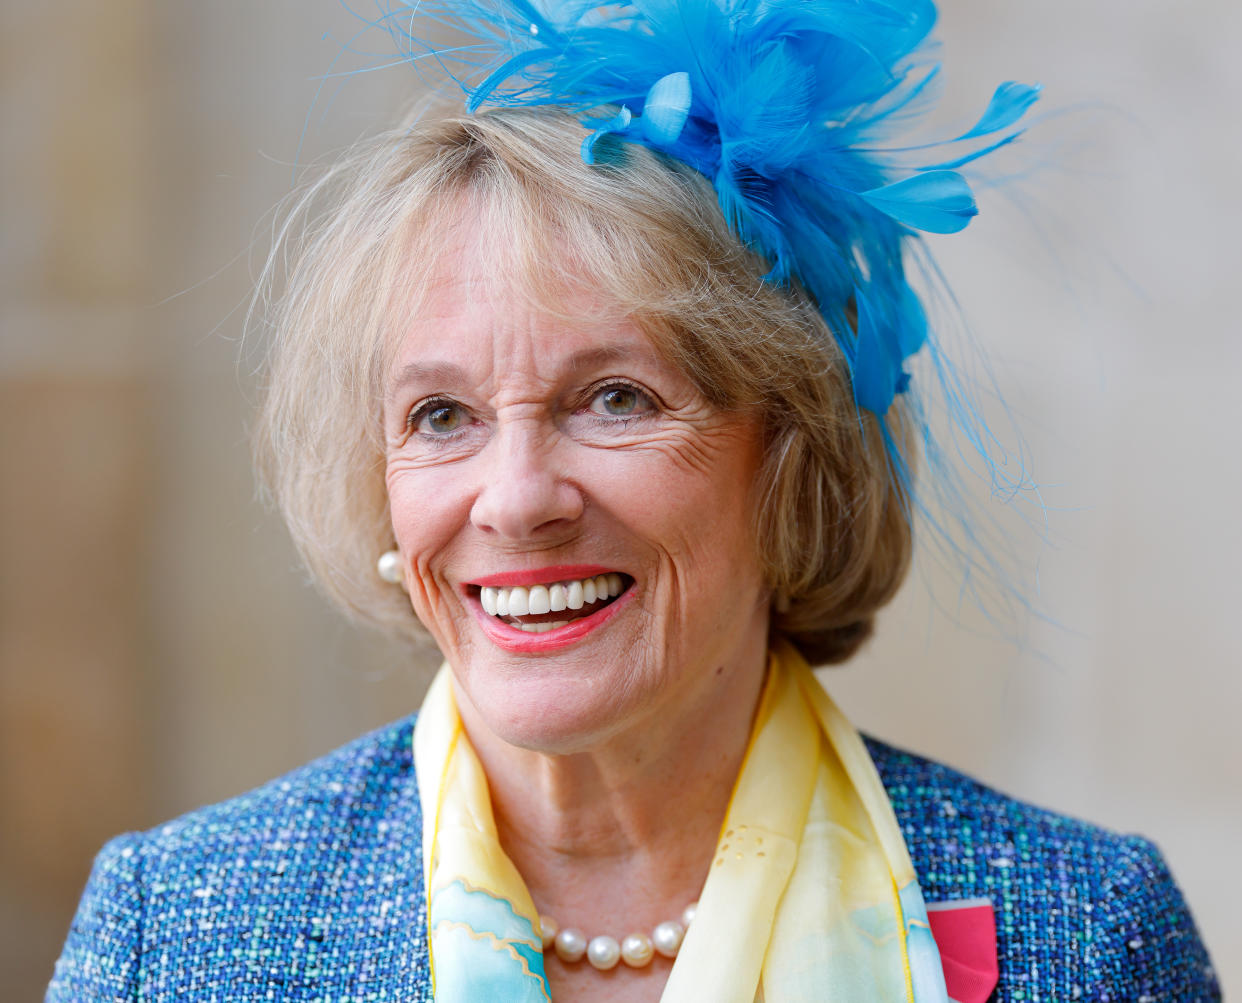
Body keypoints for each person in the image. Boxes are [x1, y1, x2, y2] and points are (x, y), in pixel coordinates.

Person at [48, 1, 1219, 1001]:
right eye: (441, 416)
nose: (516, 499)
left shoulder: (1086, 937)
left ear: (790, 454)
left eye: (614, 397)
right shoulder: (179, 938)